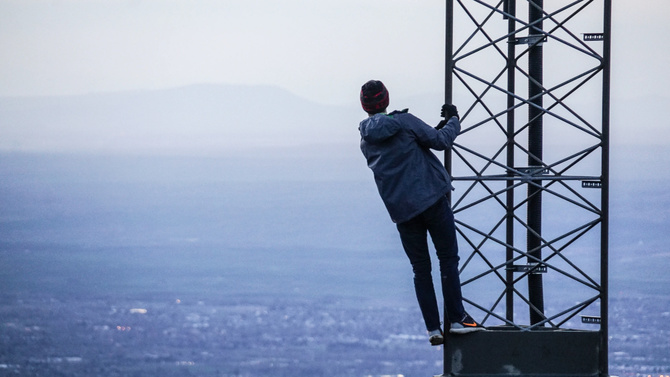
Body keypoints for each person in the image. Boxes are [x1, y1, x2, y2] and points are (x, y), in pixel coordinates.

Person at [358, 80, 484, 346]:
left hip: (403, 213)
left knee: (420, 269)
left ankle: (433, 329)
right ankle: (458, 319)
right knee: (447, 259)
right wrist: (453, 120)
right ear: (386, 99)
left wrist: (429, 131)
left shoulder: (366, 140)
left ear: (364, 106)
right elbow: (440, 142)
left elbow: (403, 152)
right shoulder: (404, 121)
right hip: (432, 201)